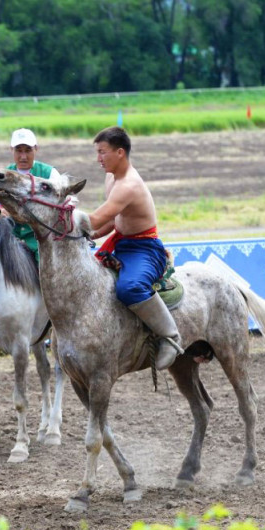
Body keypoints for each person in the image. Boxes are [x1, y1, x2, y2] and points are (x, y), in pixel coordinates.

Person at [86, 126, 182, 371]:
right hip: (122, 242)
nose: (98, 159)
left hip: (144, 249)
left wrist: (65, 219)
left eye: (102, 152)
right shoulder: (112, 178)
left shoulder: (128, 185)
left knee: (129, 287)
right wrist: (90, 235)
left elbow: (96, 219)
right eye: (97, 152)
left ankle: (170, 335)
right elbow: (110, 221)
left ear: (120, 152)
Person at [6, 128, 61, 263]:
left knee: (44, 265)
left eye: (28, 150)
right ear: (11, 150)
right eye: (19, 150)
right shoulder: (5, 175)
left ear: (36, 149)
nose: (23, 156)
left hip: (41, 236)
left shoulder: (50, 174)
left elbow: (61, 204)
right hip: (11, 234)